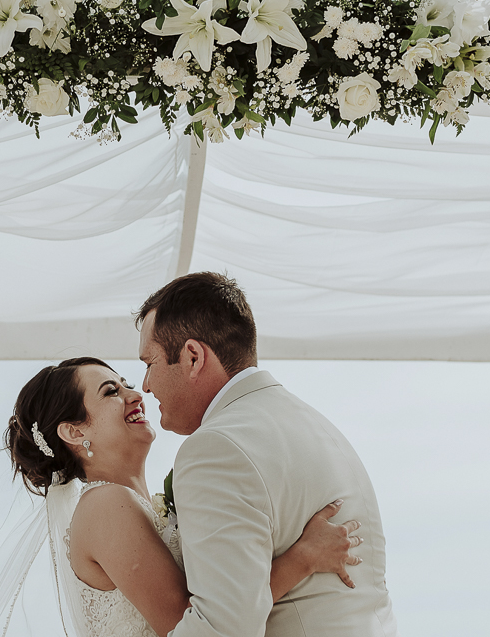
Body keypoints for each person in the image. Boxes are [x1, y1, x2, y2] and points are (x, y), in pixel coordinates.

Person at [0, 356, 361, 637]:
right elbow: (187, 625)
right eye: (111, 392)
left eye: (125, 384)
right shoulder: (104, 506)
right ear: (74, 432)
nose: (135, 394)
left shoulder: (131, 504)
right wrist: (303, 558)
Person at [136, 272, 398, 637]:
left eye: (150, 363)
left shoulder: (216, 449)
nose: (145, 385)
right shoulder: (317, 425)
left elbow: (225, 627)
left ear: (193, 357)